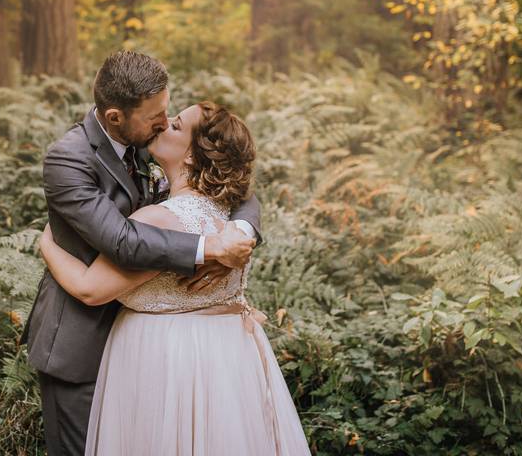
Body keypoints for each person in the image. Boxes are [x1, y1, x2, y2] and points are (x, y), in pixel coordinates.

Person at [21, 51, 262, 456]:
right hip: (82, 343)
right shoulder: (70, 159)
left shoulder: (149, 142)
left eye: (169, 114)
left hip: (147, 348)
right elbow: (124, 242)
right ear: (116, 117)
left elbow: (240, 192)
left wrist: (239, 233)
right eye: (157, 117)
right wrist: (207, 248)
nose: (165, 123)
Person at [38, 101, 312, 455]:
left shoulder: (160, 220)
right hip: (226, 362)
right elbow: (244, 203)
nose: (164, 123)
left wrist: (47, 244)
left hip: (166, 363)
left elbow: (91, 289)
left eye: (177, 126)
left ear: (192, 158)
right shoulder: (226, 218)